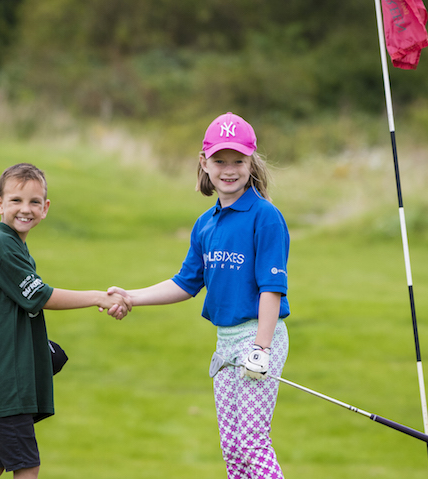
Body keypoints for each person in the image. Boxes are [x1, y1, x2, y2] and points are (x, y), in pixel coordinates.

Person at [109, 112, 291, 478]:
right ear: (204, 162)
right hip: (225, 343)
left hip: (258, 337)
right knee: (233, 449)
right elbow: (186, 283)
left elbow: (272, 289)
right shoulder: (205, 223)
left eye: (238, 161)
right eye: (220, 161)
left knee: (252, 442)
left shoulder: (265, 216)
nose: (229, 170)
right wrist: (131, 296)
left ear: (251, 163)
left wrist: (262, 347)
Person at [0, 163, 131, 479]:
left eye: (34, 201)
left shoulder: (15, 246)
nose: (25, 209)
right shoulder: (0, 245)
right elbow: (40, 296)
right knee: (27, 467)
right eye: (16, 200)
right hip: (3, 381)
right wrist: (99, 297)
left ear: (45, 208)